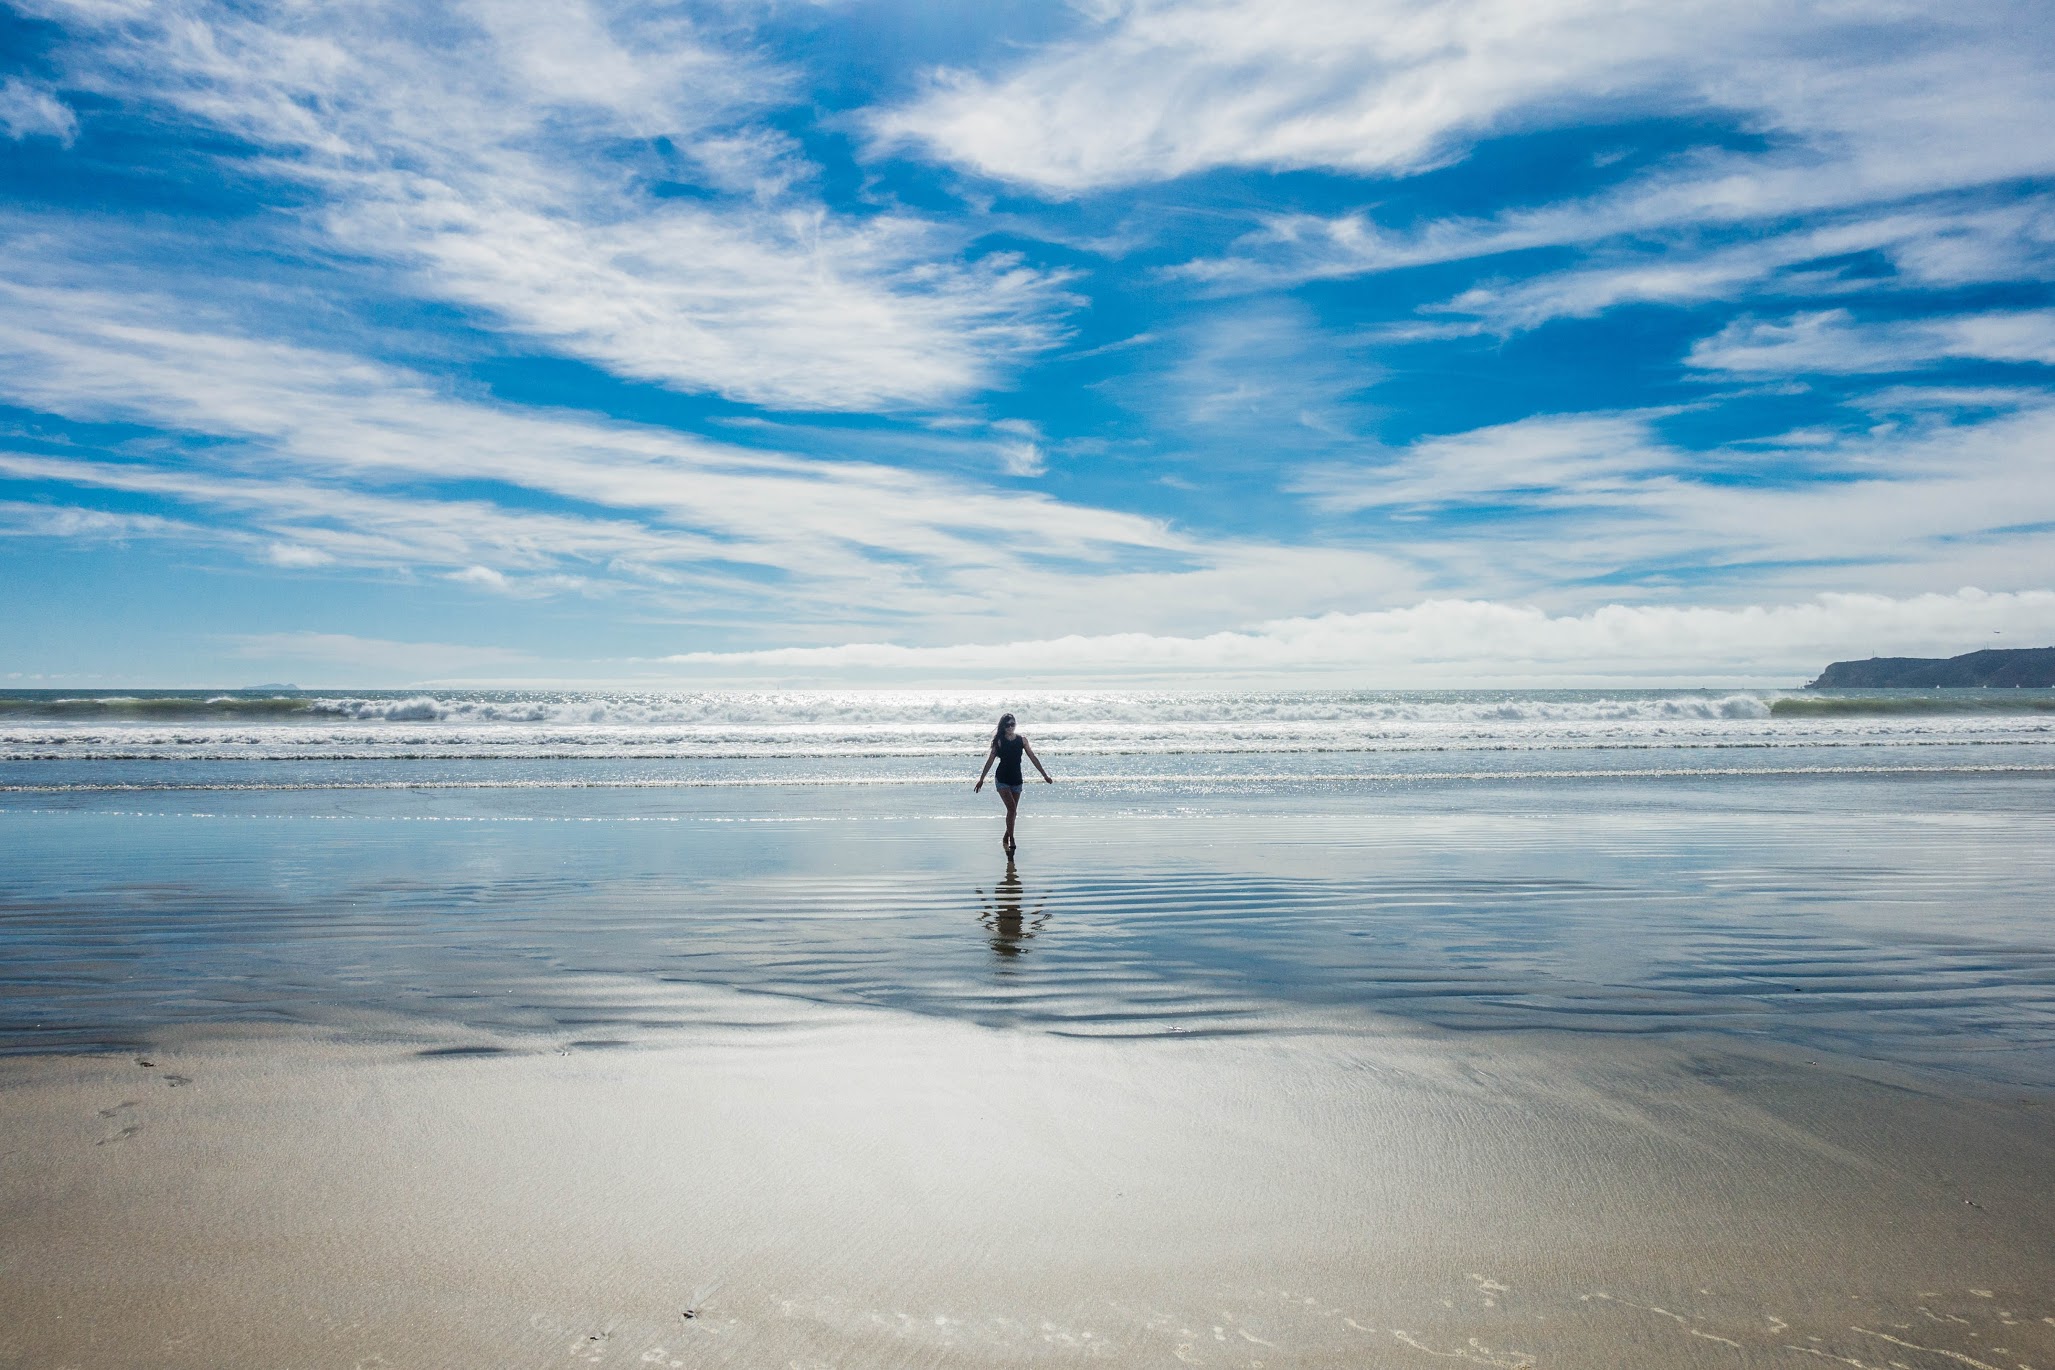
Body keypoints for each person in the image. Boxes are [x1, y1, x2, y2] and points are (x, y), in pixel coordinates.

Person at [973, 712, 1052, 857]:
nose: (1010, 727)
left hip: (1017, 779)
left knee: (1013, 811)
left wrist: (1044, 775)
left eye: (1012, 724)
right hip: (1002, 779)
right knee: (1012, 808)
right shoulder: (999, 741)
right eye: (1008, 724)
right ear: (1003, 726)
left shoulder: (1022, 740)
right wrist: (981, 779)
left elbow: (1032, 757)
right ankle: (1012, 838)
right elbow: (990, 761)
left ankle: (1005, 836)